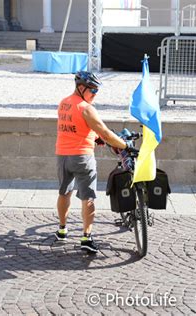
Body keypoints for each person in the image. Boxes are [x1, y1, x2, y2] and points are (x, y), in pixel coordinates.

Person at [54, 71, 133, 253]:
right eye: (93, 90)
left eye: (97, 90)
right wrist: (125, 146)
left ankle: (62, 230)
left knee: (64, 192)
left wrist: (93, 136)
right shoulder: (86, 108)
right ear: (81, 88)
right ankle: (86, 237)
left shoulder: (63, 103)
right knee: (87, 197)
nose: (95, 94)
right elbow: (105, 132)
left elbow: (74, 127)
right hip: (82, 157)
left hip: (62, 155)